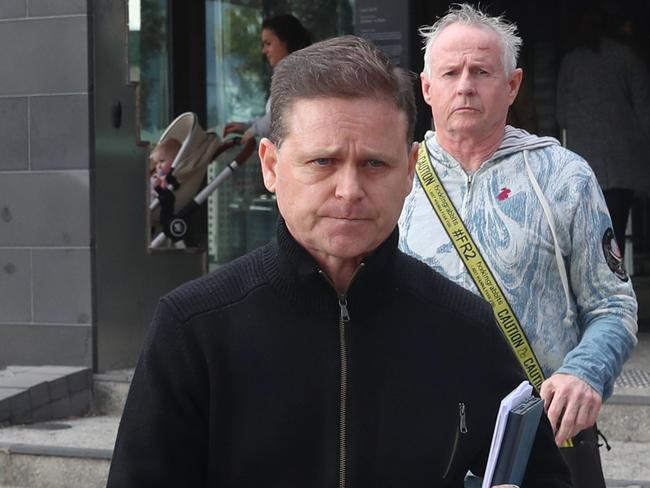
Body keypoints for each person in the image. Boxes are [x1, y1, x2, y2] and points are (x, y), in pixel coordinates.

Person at [107, 35, 571, 487]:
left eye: (374, 164)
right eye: (323, 162)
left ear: (410, 170)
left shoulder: (465, 327)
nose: (349, 190)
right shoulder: (193, 329)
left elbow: (542, 475)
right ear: (270, 166)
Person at [398, 4, 638, 487]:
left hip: (546, 438)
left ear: (512, 85)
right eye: (449, 72)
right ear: (427, 87)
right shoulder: (393, 180)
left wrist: (586, 373)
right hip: (425, 440)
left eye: (482, 71)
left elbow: (612, 304)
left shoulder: (564, 176)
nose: (464, 84)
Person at [556, 6, 650, 255]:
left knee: (590, 232)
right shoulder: (627, 56)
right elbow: (644, 108)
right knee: (616, 227)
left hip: (584, 160)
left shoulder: (570, 61)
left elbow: (561, 114)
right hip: (623, 158)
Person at [222, 13, 311, 144]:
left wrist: (254, 130)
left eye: (268, 43)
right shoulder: (291, 74)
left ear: (286, 41)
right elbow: (273, 115)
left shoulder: (300, 75)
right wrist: (247, 125)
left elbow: (284, 112)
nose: (264, 51)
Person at [149, 137, 181, 203]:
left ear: (175, 160)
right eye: (156, 163)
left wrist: (160, 187)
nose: (158, 166)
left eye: (162, 161)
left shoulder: (170, 179)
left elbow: (164, 195)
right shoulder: (155, 174)